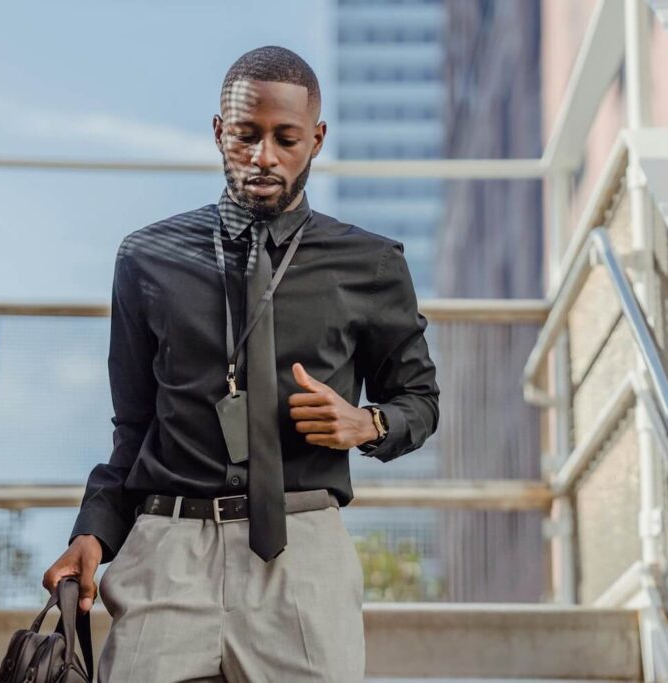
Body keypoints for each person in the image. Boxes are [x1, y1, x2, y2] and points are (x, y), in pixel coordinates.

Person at [42, 45, 439, 682]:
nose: (263, 157)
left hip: (302, 555)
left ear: (317, 138)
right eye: (246, 136)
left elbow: (420, 400)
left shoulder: (372, 263)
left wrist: (366, 425)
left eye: (285, 138)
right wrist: (95, 532)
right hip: (168, 549)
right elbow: (134, 427)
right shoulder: (147, 257)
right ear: (219, 132)